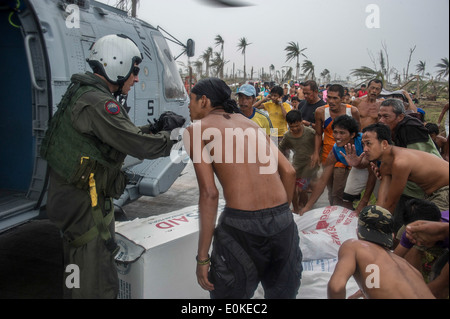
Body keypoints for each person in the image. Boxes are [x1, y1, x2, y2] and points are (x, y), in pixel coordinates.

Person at [40, 34, 183, 298]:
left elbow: (114, 135)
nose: (136, 78)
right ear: (117, 65)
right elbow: (138, 145)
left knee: (76, 265)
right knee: (95, 279)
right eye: (135, 71)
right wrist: (171, 135)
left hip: (71, 197)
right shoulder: (100, 103)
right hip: (86, 203)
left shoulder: (84, 93)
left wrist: (153, 127)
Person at [184, 78, 302, 299]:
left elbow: (209, 193)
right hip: (282, 223)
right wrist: (279, 213)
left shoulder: (196, 130)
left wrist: (202, 258)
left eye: (190, 100)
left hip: (242, 227)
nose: (188, 106)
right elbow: (289, 172)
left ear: (204, 101)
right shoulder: (252, 124)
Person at [328, 205, 435, 299]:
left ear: (357, 232)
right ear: (391, 236)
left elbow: (336, 287)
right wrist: (369, 290)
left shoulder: (353, 246)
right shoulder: (409, 268)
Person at [361, 123, 449, 215]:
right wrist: (377, 216)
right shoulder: (385, 166)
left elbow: (391, 204)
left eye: (369, 143)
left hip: (445, 190)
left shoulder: (400, 162)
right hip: (431, 195)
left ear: (384, 144)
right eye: (363, 144)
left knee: (419, 227)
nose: (365, 149)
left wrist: (379, 222)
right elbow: (383, 200)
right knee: (409, 227)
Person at [300, 115, 364, 214]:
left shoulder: (364, 142)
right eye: (335, 132)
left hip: (376, 170)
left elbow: (372, 174)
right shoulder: (335, 151)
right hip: (358, 169)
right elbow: (322, 180)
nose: (337, 137)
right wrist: (308, 206)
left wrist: (364, 202)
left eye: (342, 133)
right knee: (347, 198)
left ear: (352, 135)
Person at [312, 84, 360, 169]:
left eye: (335, 98)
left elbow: (358, 135)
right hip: (327, 155)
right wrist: (316, 153)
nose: (331, 101)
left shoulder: (352, 111)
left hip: (345, 157)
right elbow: (318, 134)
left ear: (342, 98)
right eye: (329, 97)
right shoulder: (320, 111)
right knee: (326, 180)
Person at [279, 110, 318, 214]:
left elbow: (319, 145)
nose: (295, 129)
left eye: (297, 125)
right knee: (293, 190)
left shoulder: (310, 132)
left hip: (310, 165)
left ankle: (305, 207)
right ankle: (296, 208)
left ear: (302, 122)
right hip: (297, 164)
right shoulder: (287, 136)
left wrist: (315, 154)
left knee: (301, 189)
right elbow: (280, 148)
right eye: (292, 127)